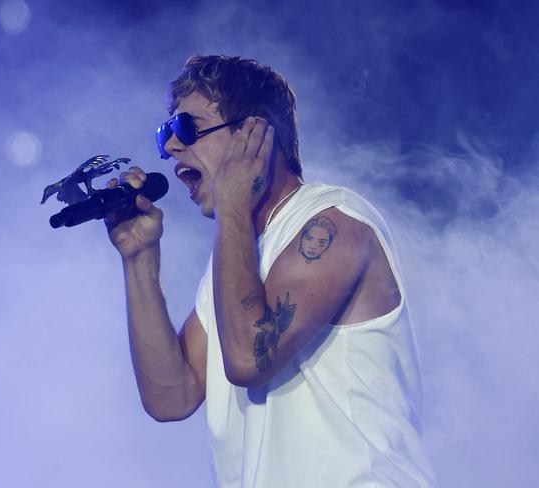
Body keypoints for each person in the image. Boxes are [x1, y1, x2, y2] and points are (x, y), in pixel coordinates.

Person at [105, 55, 437, 487]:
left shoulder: (335, 223)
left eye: (187, 128)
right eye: (165, 133)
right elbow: (172, 396)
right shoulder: (235, 254)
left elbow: (247, 359)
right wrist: (140, 258)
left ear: (255, 134)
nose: (170, 148)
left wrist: (233, 208)